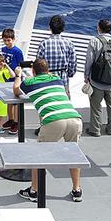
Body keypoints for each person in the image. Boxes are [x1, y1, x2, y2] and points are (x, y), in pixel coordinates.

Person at [14, 58, 84, 202]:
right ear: (48, 70)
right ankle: (77, 190)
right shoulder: (57, 79)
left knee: (38, 156)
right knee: (73, 155)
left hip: (53, 121)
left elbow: (16, 90)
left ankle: (34, 190)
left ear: (33, 71)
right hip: (74, 119)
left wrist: (18, 75)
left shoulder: (29, 82)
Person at [84, 19, 111, 136]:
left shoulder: (94, 41)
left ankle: (95, 130)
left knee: (96, 107)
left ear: (98, 28)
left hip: (97, 82)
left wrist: (87, 76)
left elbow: (89, 61)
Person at [36, 15, 77, 98]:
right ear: (62, 29)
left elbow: (38, 63)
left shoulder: (44, 43)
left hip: (47, 80)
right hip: (63, 79)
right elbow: (73, 63)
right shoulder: (69, 43)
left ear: (50, 28)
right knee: (64, 104)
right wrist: (69, 74)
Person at [0, 28, 25, 132]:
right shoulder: (3, 49)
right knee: (9, 101)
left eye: (9, 40)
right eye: (5, 40)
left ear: (13, 39)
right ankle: (10, 119)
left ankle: (17, 122)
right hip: (7, 78)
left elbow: (21, 65)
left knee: (15, 102)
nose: (7, 42)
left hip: (15, 79)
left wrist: (18, 76)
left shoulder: (17, 51)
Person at [0, 53, 15, 133]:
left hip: (2, 94)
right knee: (0, 112)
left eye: (0, 62)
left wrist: (6, 66)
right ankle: (0, 127)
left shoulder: (5, 71)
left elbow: (13, 75)